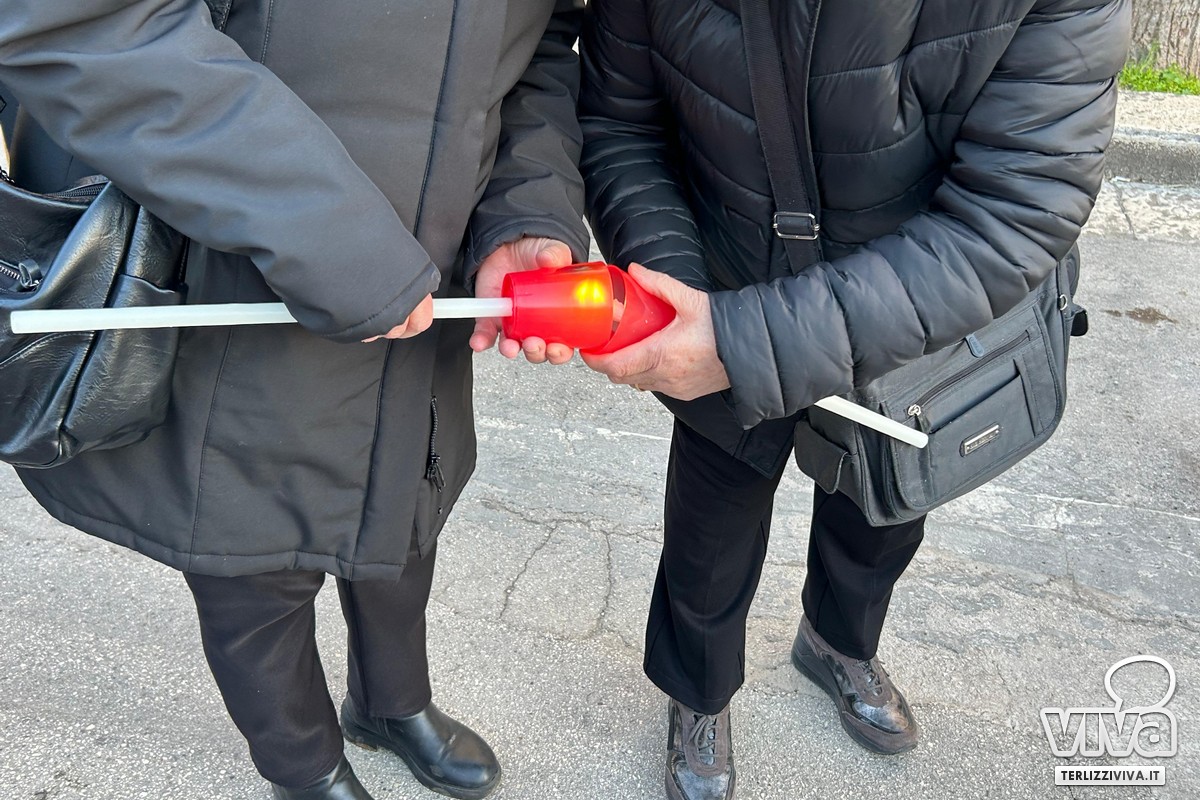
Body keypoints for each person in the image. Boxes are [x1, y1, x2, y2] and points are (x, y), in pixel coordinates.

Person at [0, 1, 587, 798]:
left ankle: (390, 705)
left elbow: (541, 41)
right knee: (252, 561)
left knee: (401, 519)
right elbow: (78, 24)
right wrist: (329, 236)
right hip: (234, 274)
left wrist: (528, 208)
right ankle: (304, 769)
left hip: (426, 294)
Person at [575, 1, 1132, 798]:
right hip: (719, 279)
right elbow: (622, 123)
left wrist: (747, 341)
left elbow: (1019, 204)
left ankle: (839, 641)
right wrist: (679, 306)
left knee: (884, 510)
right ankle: (698, 693)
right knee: (710, 528)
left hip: (905, 311)